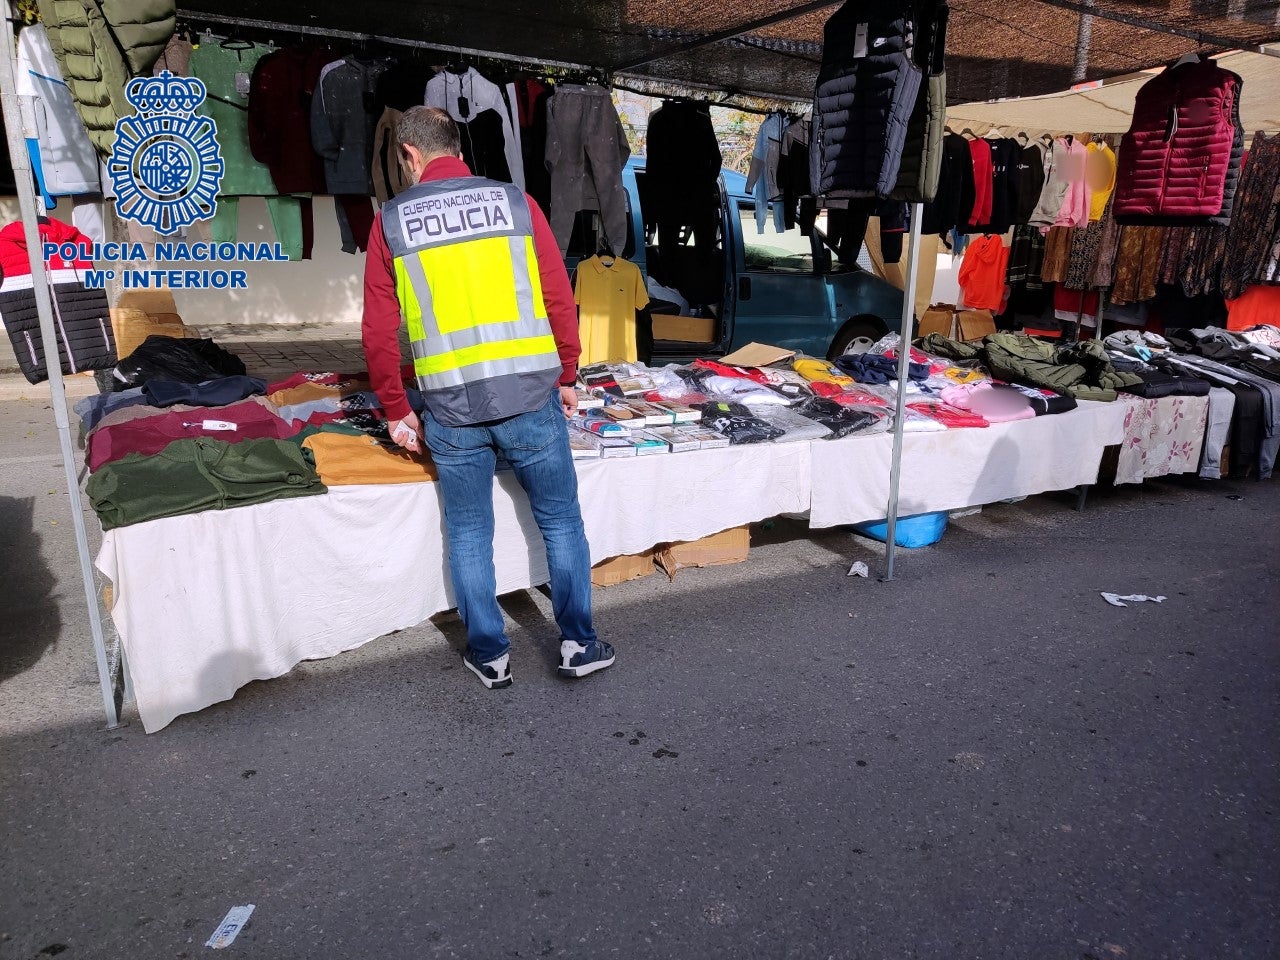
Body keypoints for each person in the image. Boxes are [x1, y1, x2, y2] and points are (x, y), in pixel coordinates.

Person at [362, 106, 614, 689]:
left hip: (450, 410)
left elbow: (378, 331)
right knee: (561, 521)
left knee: (469, 531)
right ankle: (578, 644)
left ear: (409, 154)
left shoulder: (391, 222)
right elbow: (558, 295)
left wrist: (396, 409)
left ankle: (490, 654)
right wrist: (568, 373)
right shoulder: (515, 203)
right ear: (458, 146)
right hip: (529, 396)